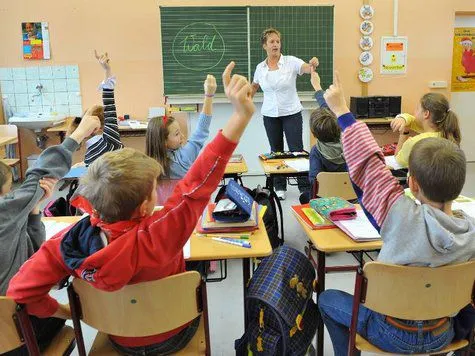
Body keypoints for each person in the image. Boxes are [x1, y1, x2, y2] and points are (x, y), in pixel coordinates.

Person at [7, 62, 256, 355]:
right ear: (145, 205)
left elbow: (20, 293)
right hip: (173, 333)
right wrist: (241, 115)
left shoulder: (68, 244)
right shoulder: (164, 229)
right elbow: (200, 180)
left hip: (117, 337)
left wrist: (68, 311)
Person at [318, 71, 475, 356]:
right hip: (444, 332)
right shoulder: (472, 234)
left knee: (327, 299)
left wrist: (341, 109)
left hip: (390, 331)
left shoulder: (399, 214)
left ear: (412, 183)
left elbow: (369, 164)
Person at [1, 111, 101, 355]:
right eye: (8, 192)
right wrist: (77, 135)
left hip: (6, 334)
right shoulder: (5, 212)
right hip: (17, 335)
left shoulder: (11, 220)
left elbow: (29, 257)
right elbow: (42, 173)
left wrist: (33, 212)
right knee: (56, 315)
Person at [251, 27, 318, 200]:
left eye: (277, 41)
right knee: (276, 151)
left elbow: (306, 68)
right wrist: (242, 97)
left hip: (291, 113)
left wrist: (312, 65)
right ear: (264, 45)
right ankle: (279, 187)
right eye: (271, 42)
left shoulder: (290, 61)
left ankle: (304, 187)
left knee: (296, 150)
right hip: (270, 115)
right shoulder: (260, 67)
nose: (275, 45)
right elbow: (254, 87)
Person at [146, 74, 217, 180]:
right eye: (177, 134)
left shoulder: (147, 167)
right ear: (163, 142)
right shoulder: (182, 159)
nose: (182, 136)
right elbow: (201, 130)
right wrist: (209, 95)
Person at [299, 67, 347, 204]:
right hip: (351, 196)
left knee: (304, 197)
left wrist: (317, 86)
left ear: (314, 134)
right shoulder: (350, 145)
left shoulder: (316, 151)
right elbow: (327, 108)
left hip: (325, 199)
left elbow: (313, 180)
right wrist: (317, 87)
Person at [67, 50, 123, 166]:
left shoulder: (89, 153)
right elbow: (109, 102)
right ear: (98, 127)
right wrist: (107, 70)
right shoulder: (110, 141)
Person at [390, 92, 461, 168]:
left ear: (426, 114)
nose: (414, 111)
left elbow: (398, 160)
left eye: (417, 108)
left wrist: (403, 133)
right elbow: (411, 121)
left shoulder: (415, 143)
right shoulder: (446, 133)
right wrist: (403, 118)